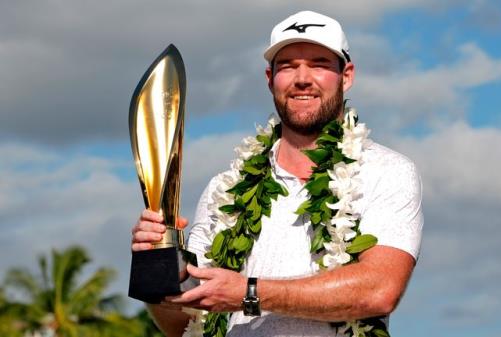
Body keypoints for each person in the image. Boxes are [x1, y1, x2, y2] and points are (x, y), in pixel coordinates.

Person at [131, 10, 423, 337]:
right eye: (288, 66)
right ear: (270, 78)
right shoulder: (224, 192)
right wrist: (157, 263)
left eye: (319, 64)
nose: (302, 78)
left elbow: (379, 290)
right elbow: (183, 324)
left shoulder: (386, 171)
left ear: (347, 75)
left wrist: (248, 292)